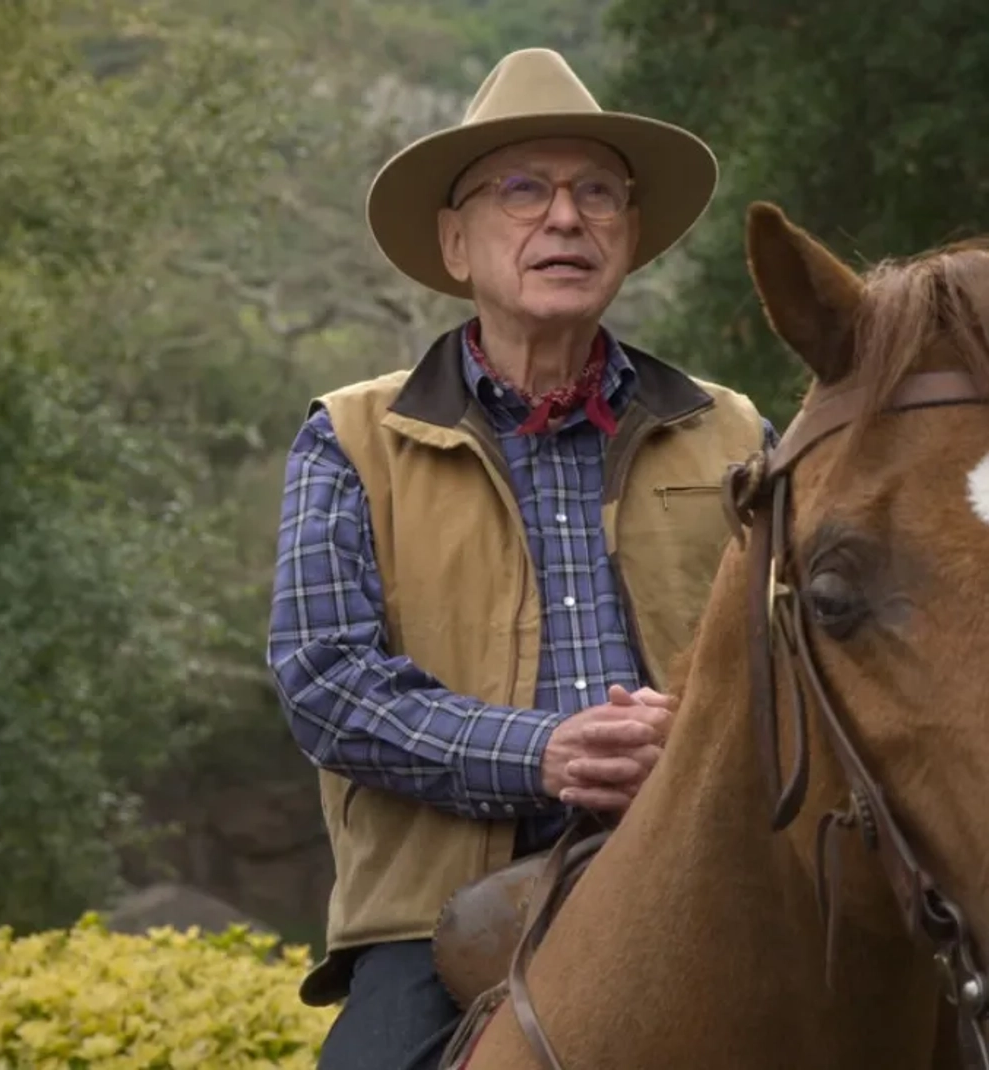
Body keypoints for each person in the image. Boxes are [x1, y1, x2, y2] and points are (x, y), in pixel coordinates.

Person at [264, 49, 776, 1070]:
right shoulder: (351, 437)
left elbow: (808, 652)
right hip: (440, 917)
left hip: (711, 875)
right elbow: (326, 678)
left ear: (628, 233)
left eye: (597, 192)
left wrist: (705, 736)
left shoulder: (734, 432)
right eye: (524, 189)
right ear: (456, 241)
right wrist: (540, 750)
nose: (566, 218)